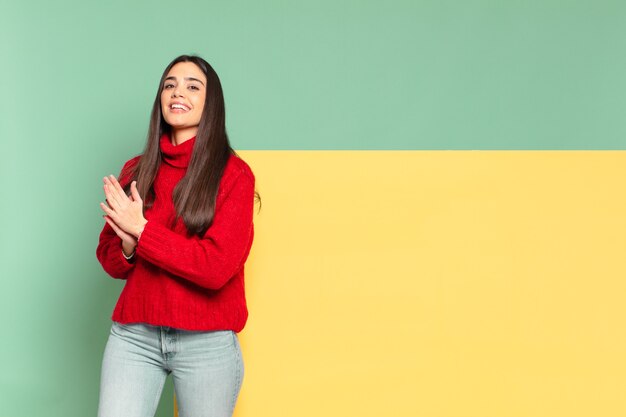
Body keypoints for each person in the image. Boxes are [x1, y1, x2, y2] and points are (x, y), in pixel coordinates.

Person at [96, 55, 256, 417]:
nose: (177, 92)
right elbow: (110, 259)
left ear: (210, 102)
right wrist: (128, 246)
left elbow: (216, 267)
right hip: (134, 337)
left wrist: (142, 231)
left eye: (191, 85)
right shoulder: (137, 169)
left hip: (207, 342)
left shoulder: (235, 175)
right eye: (169, 84)